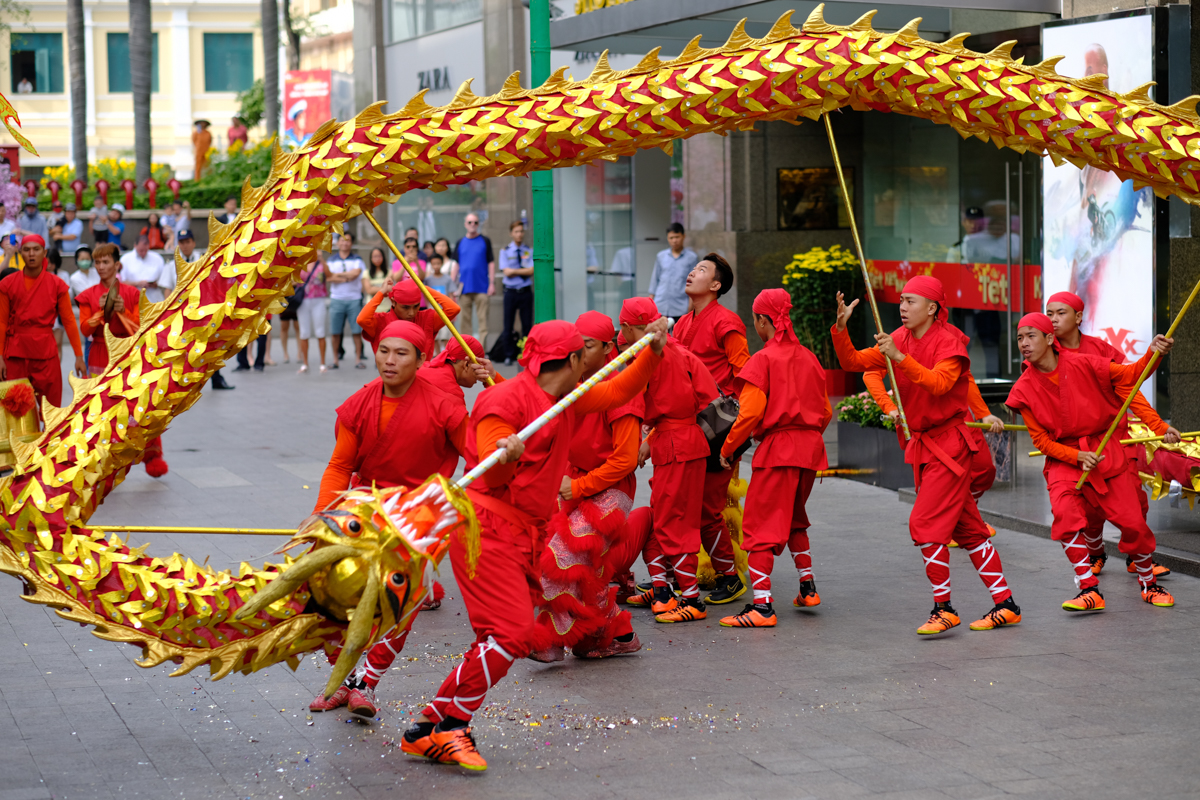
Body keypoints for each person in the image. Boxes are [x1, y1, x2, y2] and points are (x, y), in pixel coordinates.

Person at [399, 317, 667, 771]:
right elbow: (489, 469)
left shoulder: (564, 398)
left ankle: (427, 727)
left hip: (522, 532)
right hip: (487, 530)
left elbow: (620, 391)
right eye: (584, 352)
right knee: (513, 634)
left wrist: (653, 351)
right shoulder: (504, 400)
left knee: (494, 639)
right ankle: (450, 726)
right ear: (576, 359)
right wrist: (506, 456)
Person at [832, 276, 1022, 635]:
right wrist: (841, 329)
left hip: (949, 444)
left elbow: (938, 384)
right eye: (902, 301)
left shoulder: (950, 344)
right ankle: (1006, 603)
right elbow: (853, 362)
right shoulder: (899, 338)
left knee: (924, 526)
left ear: (932, 308)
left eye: (911, 301)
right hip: (924, 446)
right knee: (971, 531)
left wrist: (899, 358)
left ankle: (943, 607)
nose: (902, 307)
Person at [309, 320, 471, 717]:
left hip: (421, 512)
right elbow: (338, 466)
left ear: (421, 360)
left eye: (401, 353)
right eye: (384, 351)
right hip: (365, 504)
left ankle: (366, 683)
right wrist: (322, 518)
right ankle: (346, 679)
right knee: (341, 596)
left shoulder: (445, 406)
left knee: (400, 603)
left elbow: (481, 455)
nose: (390, 360)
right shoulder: (359, 403)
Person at [1006, 312, 1176, 611]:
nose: (1024, 343)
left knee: (1133, 523)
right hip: (1063, 458)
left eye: (1031, 335)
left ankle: (1149, 584)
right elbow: (1041, 442)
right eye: (1020, 337)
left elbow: (1130, 377)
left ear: (1049, 339)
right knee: (1065, 516)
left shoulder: (1083, 362)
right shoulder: (1022, 388)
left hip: (1104, 450)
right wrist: (1075, 456)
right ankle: (1089, 589)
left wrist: (1153, 354)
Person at [528, 310, 645, 660]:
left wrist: (578, 488)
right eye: (574, 348)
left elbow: (624, 459)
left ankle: (551, 639)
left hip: (610, 491)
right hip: (575, 483)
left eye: (587, 347)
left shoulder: (623, 389)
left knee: (559, 557)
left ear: (609, 347)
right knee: (586, 571)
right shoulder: (574, 386)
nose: (577, 356)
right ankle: (619, 634)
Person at [716, 289, 831, 627]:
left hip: (778, 450)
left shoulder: (763, 360)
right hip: (809, 451)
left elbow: (749, 414)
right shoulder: (809, 357)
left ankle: (762, 606)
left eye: (755, 320)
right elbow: (825, 412)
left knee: (759, 526)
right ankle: (807, 587)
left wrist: (728, 449)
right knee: (796, 517)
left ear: (763, 320)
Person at [1043, 290, 1175, 578]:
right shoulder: (1045, 354)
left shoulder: (1100, 350)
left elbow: (1130, 387)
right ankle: (1095, 552)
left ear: (1078, 317)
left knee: (1135, 503)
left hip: (1114, 441)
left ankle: (1136, 558)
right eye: (1049, 313)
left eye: (1060, 313)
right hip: (1073, 448)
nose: (1053, 319)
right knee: (1088, 510)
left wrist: (1158, 426)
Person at [619, 297, 718, 623]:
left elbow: (629, 404)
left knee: (669, 521)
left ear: (633, 329)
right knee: (682, 519)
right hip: (693, 441)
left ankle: (690, 598)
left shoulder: (646, 359)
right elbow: (712, 398)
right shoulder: (684, 353)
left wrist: (647, 437)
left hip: (673, 446)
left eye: (626, 328)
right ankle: (666, 590)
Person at [670, 252, 749, 605]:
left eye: (701, 271)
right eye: (693, 268)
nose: (691, 273)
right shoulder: (684, 322)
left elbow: (747, 378)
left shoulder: (726, 322)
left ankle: (729, 577)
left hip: (719, 429)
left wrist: (734, 439)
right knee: (681, 503)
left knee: (705, 507)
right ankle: (679, 573)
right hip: (689, 427)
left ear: (716, 285)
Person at [74, 243, 169, 476]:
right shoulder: (87, 295)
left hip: (127, 356)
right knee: (99, 410)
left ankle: (152, 455)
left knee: (140, 406)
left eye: (105, 262)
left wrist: (122, 311)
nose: (100, 267)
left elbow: (138, 327)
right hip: (99, 354)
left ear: (117, 265)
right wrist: (100, 313)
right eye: (97, 262)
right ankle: (101, 460)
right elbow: (85, 329)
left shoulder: (132, 294)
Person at [0, 235, 85, 406]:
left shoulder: (57, 284)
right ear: (20, 252)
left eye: (36, 249)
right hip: (15, 353)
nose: (31, 254)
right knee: (15, 412)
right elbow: (1, 322)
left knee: (51, 411)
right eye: (26, 249)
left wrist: (79, 356)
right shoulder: (7, 284)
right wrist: (0, 356)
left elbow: (68, 321)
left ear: (44, 253)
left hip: (45, 353)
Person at [358, 271, 459, 350]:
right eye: (405, 307)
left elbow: (454, 309)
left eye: (416, 306)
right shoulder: (381, 320)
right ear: (393, 302)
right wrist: (381, 293)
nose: (411, 313)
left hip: (421, 375)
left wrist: (423, 287)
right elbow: (361, 319)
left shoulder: (427, 318)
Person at [326, 232, 366, 369]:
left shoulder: (357, 259)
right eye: (342, 240)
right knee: (335, 332)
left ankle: (358, 359)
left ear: (352, 243)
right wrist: (347, 278)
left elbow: (356, 274)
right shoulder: (331, 260)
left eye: (348, 240)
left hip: (354, 299)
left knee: (356, 331)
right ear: (337, 243)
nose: (345, 243)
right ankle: (335, 360)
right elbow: (328, 277)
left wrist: (338, 276)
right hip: (336, 299)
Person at [454, 213, 494, 346]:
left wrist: (492, 284)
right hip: (463, 287)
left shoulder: (485, 240)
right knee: (464, 321)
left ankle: (482, 350)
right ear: (465, 224)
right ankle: (467, 349)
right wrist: (452, 285)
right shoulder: (460, 242)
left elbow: (491, 263)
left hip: (482, 287)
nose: (473, 225)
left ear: (479, 224)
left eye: (475, 222)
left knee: (483, 321)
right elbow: (456, 264)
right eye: (470, 222)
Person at [497, 220, 533, 366]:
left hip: (525, 292)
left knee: (527, 325)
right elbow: (506, 271)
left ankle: (527, 353)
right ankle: (509, 355)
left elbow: (531, 270)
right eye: (516, 231)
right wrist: (521, 272)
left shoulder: (528, 250)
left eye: (521, 231)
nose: (519, 234)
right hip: (510, 292)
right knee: (508, 325)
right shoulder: (505, 251)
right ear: (511, 233)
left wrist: (514, 272)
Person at [419, 334, 497, 400]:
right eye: (479, 368)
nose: (478, 379)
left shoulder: (421, 368)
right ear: (466, 364)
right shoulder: (452, 393)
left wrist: (494, 377)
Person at [646, 222, 697, 319]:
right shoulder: (661, 256)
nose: (674, 241)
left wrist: (691, 305)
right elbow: (655, 279)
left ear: (683, 236)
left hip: (681, 306)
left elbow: (693, 283)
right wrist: (651, 301)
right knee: (659, 333)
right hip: (660, 304)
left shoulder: (691, 258)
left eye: (677, 237)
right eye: (671, 238)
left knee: (678, 334)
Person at [296, 252, 329, 374]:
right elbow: (293, 279)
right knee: (304, 332)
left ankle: (323, 363)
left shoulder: (321, 263)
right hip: (303, 300)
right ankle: (305, 363)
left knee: (320, 331)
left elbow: (329, 275)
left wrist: (322, 259)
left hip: (319, 299)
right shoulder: (300, 262)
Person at [119, 235, 175, 304]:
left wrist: (154, 284)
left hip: (154, 299)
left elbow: (165, 281)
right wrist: (137, 283)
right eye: (141, 250)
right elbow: (121, 282)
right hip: (133, 299)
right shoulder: (125, 259)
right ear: (135, 245)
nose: (143, 253)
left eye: (145, 250)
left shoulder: (157, 258)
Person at [423, 254, 455, 353]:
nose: (436, 266)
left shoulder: (447, 279)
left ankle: (446, 354)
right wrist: (428, 307)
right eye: (434, 264)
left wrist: (451, 311)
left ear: (442, 264)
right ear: (431, 265)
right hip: (433, 312)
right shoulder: (428, 280)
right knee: (435, 336)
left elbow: (450, 295)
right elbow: (426, 295)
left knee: (445, 335)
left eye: (438, 263)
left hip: (444, 311)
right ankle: (437, 355)